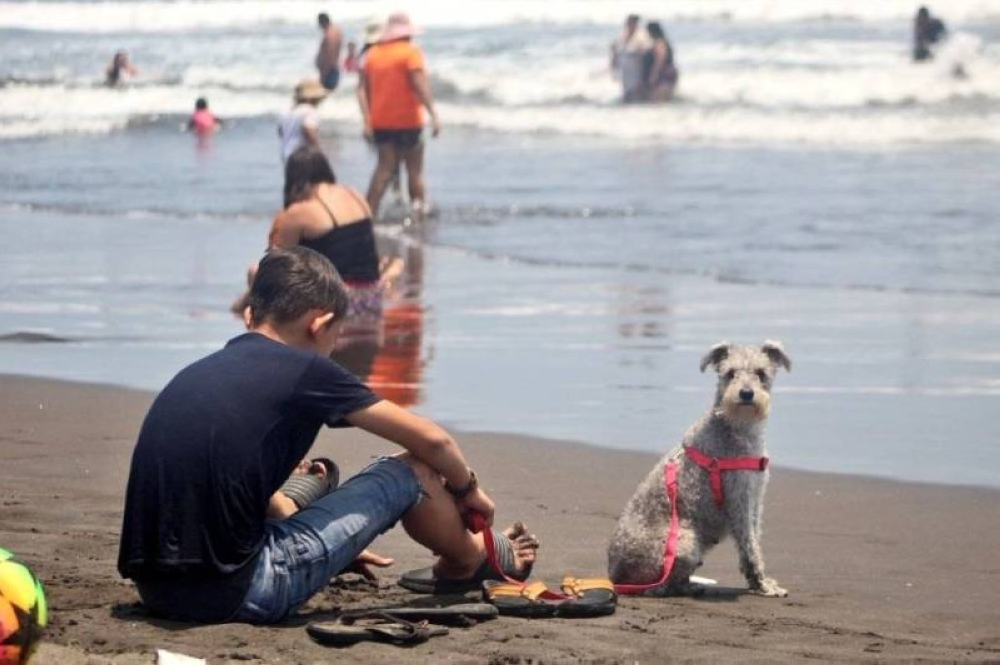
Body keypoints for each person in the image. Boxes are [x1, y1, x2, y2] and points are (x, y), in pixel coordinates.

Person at [118, 246, 539, 623]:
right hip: (242, 590)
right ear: (319, 324)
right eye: (337, 336)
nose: (334, 348)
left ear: (250, 315)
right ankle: (468, 560)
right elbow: (432, 441)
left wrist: (339, 548)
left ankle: (306, 502)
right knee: (410, 471)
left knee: (312, 475)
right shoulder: (305, 370)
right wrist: (468, 489)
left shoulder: (197, 374)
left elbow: (226, 483)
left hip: (157, 591)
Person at [358, 12, 440, 219]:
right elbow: (419, 84)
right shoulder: (411, 53)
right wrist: (433, 114)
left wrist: (367, 119)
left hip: (380, 122)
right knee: (414, 171)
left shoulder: (372, 54)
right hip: (408, 121)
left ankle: (368, 215)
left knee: (384, 170)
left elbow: (361, 90)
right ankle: (418, 214)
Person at [278, 79, 326, 163]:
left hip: (286, 154)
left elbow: (281, 131)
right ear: (311, 99)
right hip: (303, 156)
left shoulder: (288, 112)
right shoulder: (309, 111)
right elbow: (308, 130)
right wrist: (319, 151)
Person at [610, 14, 650, 102]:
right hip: (625, 66)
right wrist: (614, 65)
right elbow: (616, 50)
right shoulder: (623, 34)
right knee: (626, 88)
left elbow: (643, 52)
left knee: (635, 88)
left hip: (635, 66)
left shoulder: (641, 35)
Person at [644, 22, 679, 102]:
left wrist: (654, 74)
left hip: (663, 74)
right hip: (666, 72)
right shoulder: (661, 42)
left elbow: (660, 59)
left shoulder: (659, 43)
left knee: (660, 98)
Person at [316, 12, 343, 91]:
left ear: (322, 22)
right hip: (331, 69)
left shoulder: (330, 33)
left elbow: (330, 55)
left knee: (326, 94)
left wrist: (324, 73)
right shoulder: (336, 30)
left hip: (329, 71)